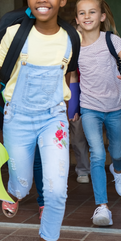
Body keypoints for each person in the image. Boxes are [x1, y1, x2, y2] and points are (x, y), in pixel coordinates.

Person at [0, 0, 76, 241]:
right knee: (21, 184)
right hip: (17, 117)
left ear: (63, 0)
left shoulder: (70, 38)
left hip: (53, 119)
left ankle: (49, 237)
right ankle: (14, 191)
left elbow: (69, 74)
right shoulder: (15, 34)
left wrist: (70, 106)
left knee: (57, 189)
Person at [75, 0, 121, 226]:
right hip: (89, 108)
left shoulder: (111, 40)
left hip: (114, 108)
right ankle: (102, 207)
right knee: (97, 154)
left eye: (92, 12)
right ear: (77, 19)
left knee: (117, 152)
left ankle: (118, 170)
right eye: (82, 13)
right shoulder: (73, 45)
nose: (87, 16)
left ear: (102, 17)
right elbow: (71, 76)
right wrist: (72, 105)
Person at [33, 65, 90, 220]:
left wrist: (73, 107)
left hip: (71, 99)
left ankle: (83, 169)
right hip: (51, 102)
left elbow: (74, 78)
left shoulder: (71, 52)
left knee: (77, 138)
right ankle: (49, 193)